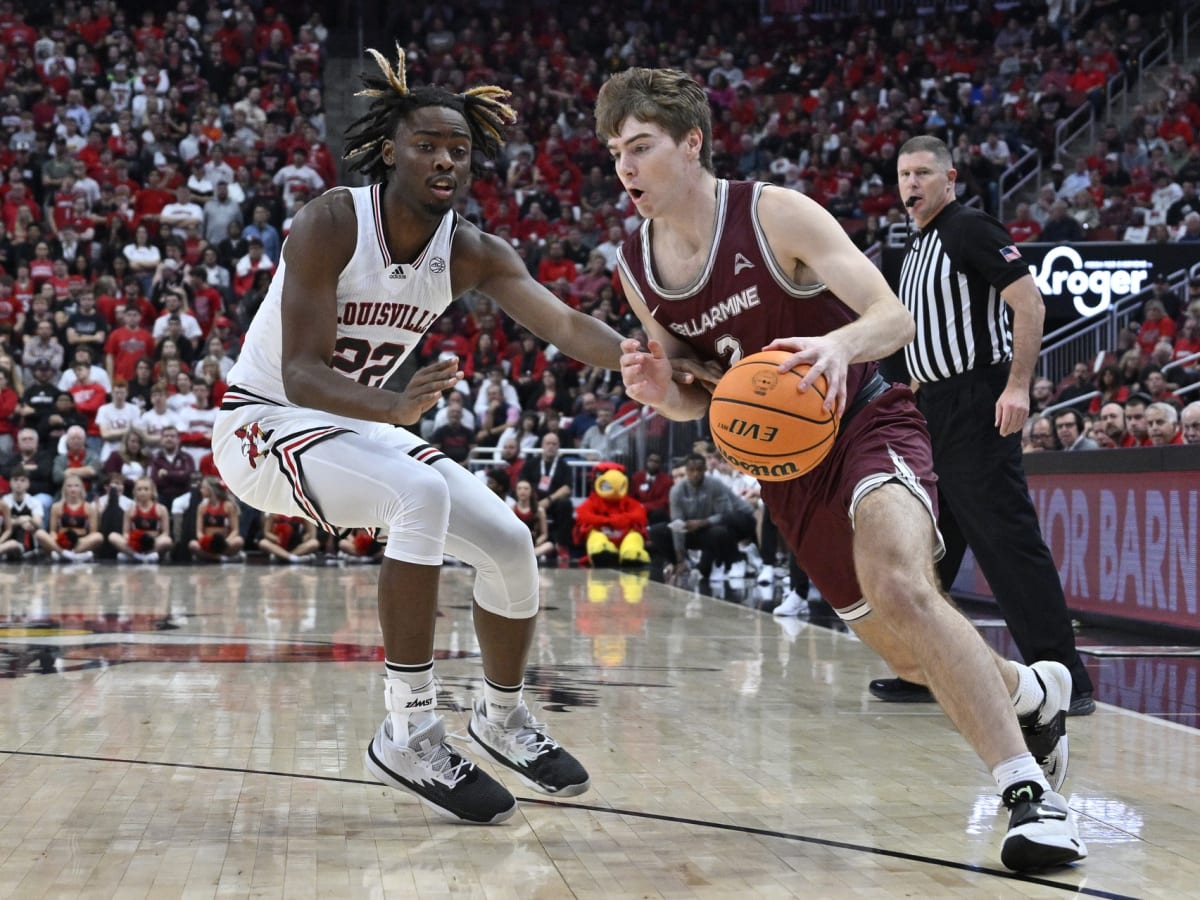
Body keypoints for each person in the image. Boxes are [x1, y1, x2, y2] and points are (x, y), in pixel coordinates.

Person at [597, 69, 1084, 871]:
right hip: (785, 467)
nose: (625, 167)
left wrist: (836, 345)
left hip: (866, 416)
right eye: (616, 151)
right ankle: (1032, 694)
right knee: (903, 652)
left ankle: (1030, 797)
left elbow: (892, 316)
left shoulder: (772, 212)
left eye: (641, 147)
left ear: (691, 144)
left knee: (903, 585)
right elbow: (699, 393)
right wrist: (662, 392)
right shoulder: (634, 264)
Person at [212, 47, 627, 825]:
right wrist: (395, 406)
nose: (445, 158)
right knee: (420, 488)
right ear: (389, 151)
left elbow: (566, 323)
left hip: (351, 428)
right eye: (427, 143)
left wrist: (648, 361)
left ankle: (501, 715)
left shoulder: (470, 250)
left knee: (508, 540)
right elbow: (301, 373)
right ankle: (407, 728)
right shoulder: (334, 220)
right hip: (260, 427)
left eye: (459, 148)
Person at [107, 475, 173, 563]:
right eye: (139, 489)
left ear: (152, 491)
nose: (142, 492)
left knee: (167, 541)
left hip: (154, 543)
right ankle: (138, 556)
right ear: (135, 492)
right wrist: (131, 541)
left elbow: (165, 533)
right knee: (112, 536)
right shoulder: (130, 509)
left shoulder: (161, 509)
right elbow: (125, 533)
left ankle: (139, 555)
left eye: (146, 489)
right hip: (135, 544)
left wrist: (154, 541)